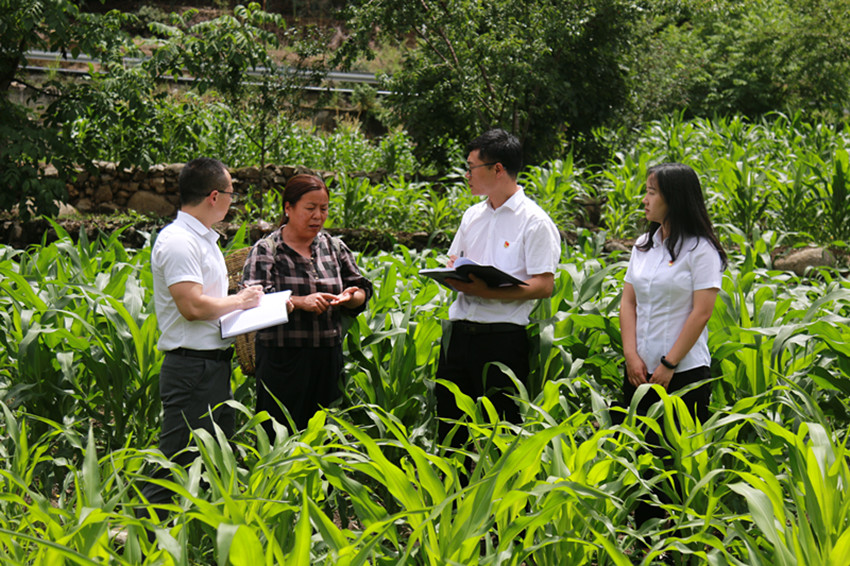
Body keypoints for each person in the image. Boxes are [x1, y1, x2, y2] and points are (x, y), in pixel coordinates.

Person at [143, 157, 264, 507]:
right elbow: (193, 307)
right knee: (174, 465)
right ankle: (140, 532)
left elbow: (208, 300)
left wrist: (240, 300)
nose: (231, 201)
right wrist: (240, 301)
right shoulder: (179, 241)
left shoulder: (204, 239)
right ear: (214, 196)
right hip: (191, 368)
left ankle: (194, 533)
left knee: (214, 463)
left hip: (212, 366)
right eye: (231, 193)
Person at [435, 128, 561, 451]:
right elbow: (454, 259)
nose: (466, 175)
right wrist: (452, 272)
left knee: (500, 434)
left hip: (501, 340)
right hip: (458, 337)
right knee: (450, 432)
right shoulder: (472, 215)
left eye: (471, 167)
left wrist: (488, 292)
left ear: (498, 169)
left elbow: (544, 285)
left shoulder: (534, 221)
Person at [618, 162, 727, 534]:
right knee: (640, 459)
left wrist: (669, 363)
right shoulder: (644, 245)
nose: (644, 199)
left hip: (683, 375)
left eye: (652, 192)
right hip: (639, 372)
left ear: (674, 199)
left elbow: (701, 312)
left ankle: (678, 544)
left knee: (676, 464)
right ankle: (644, 540)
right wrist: (631, 355)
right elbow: (628, 301)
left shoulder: (701, 250)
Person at [241, 174, 373, 439]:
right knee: (280, 435)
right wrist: (301, 302)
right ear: (288, 208)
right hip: (282, 359)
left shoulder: (334, 247)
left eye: (323, 209)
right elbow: (253, 301)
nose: (318, 216)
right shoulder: (268, 250)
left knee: (322, 436)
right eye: (310, 208)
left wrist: (351, 297)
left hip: (327, 358)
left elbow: (362, 288)